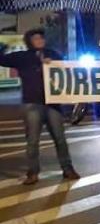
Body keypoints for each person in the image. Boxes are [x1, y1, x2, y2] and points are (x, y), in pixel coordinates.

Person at [0, 28, 79, 185]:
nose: (39, 41)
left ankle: (68, 169)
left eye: (41, 38)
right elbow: (1, 59)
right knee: (32, 140)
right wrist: (3, 46)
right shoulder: (22, 57)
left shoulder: (53, 54)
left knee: (60, 138)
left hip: (53, 104)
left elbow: (65, 70)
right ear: (29, 41)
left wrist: (53, 63)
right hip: (32, 103)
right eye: (35, 38)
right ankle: (33, 173)